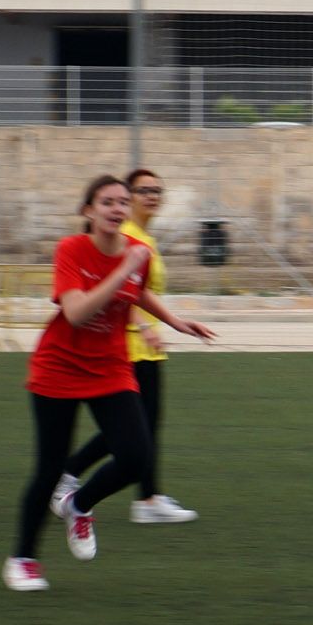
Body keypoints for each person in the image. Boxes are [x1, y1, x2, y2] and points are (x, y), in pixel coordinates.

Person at [5, 175, 215, 591]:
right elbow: (78, 312)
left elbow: (137, 294)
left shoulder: (137, 252)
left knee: (137, 456)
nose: (117, 209)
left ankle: (79, 505)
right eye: (107, 202)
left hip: (110, 367)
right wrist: (123, 271)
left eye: (122, 202)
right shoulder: (71, 250)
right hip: (58, 367)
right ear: (89, 211)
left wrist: (176, 321)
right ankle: (23, 559)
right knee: (49, 468)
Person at [54, 168, 199, 524]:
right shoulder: (126, 237)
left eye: (157, 190)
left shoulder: (143, 238)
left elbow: (142, 291)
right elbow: (115, 290)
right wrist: (145, 326)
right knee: (136, 430)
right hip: (127, 348)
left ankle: (142, 496)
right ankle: (139, 498)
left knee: (140, 428)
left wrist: (172, 323)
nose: (151, 196)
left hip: (147, 347)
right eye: (142, 190)